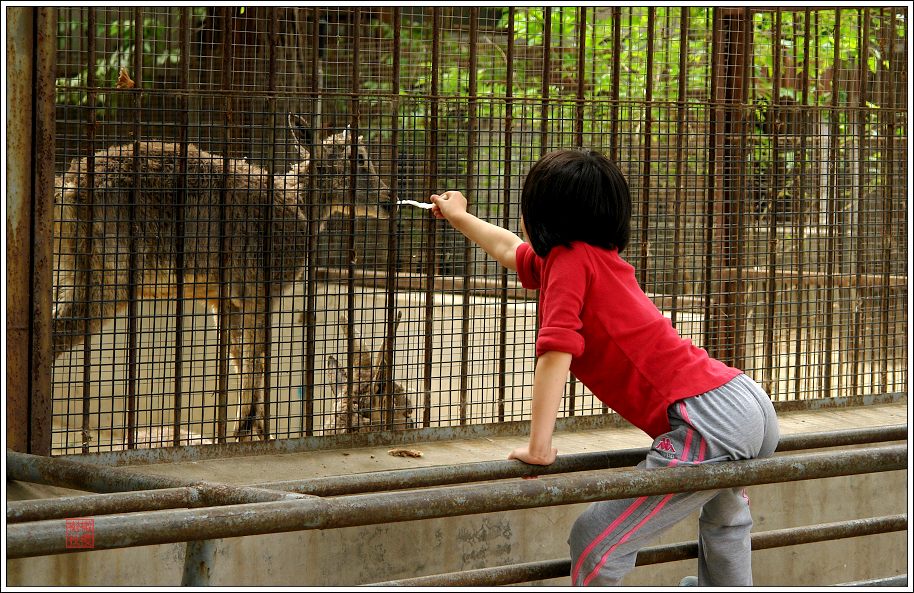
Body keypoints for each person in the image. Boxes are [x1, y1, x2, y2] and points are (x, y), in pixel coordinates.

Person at [429, 148, 780, 587]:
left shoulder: (569, 264)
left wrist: (539, 447)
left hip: (708, 420)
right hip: (743, 401)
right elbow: (507, 248)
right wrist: (459, 215)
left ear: (542, 216)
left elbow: (555, 351)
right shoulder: (592, 259)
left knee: (596, 538)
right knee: (726, 519)